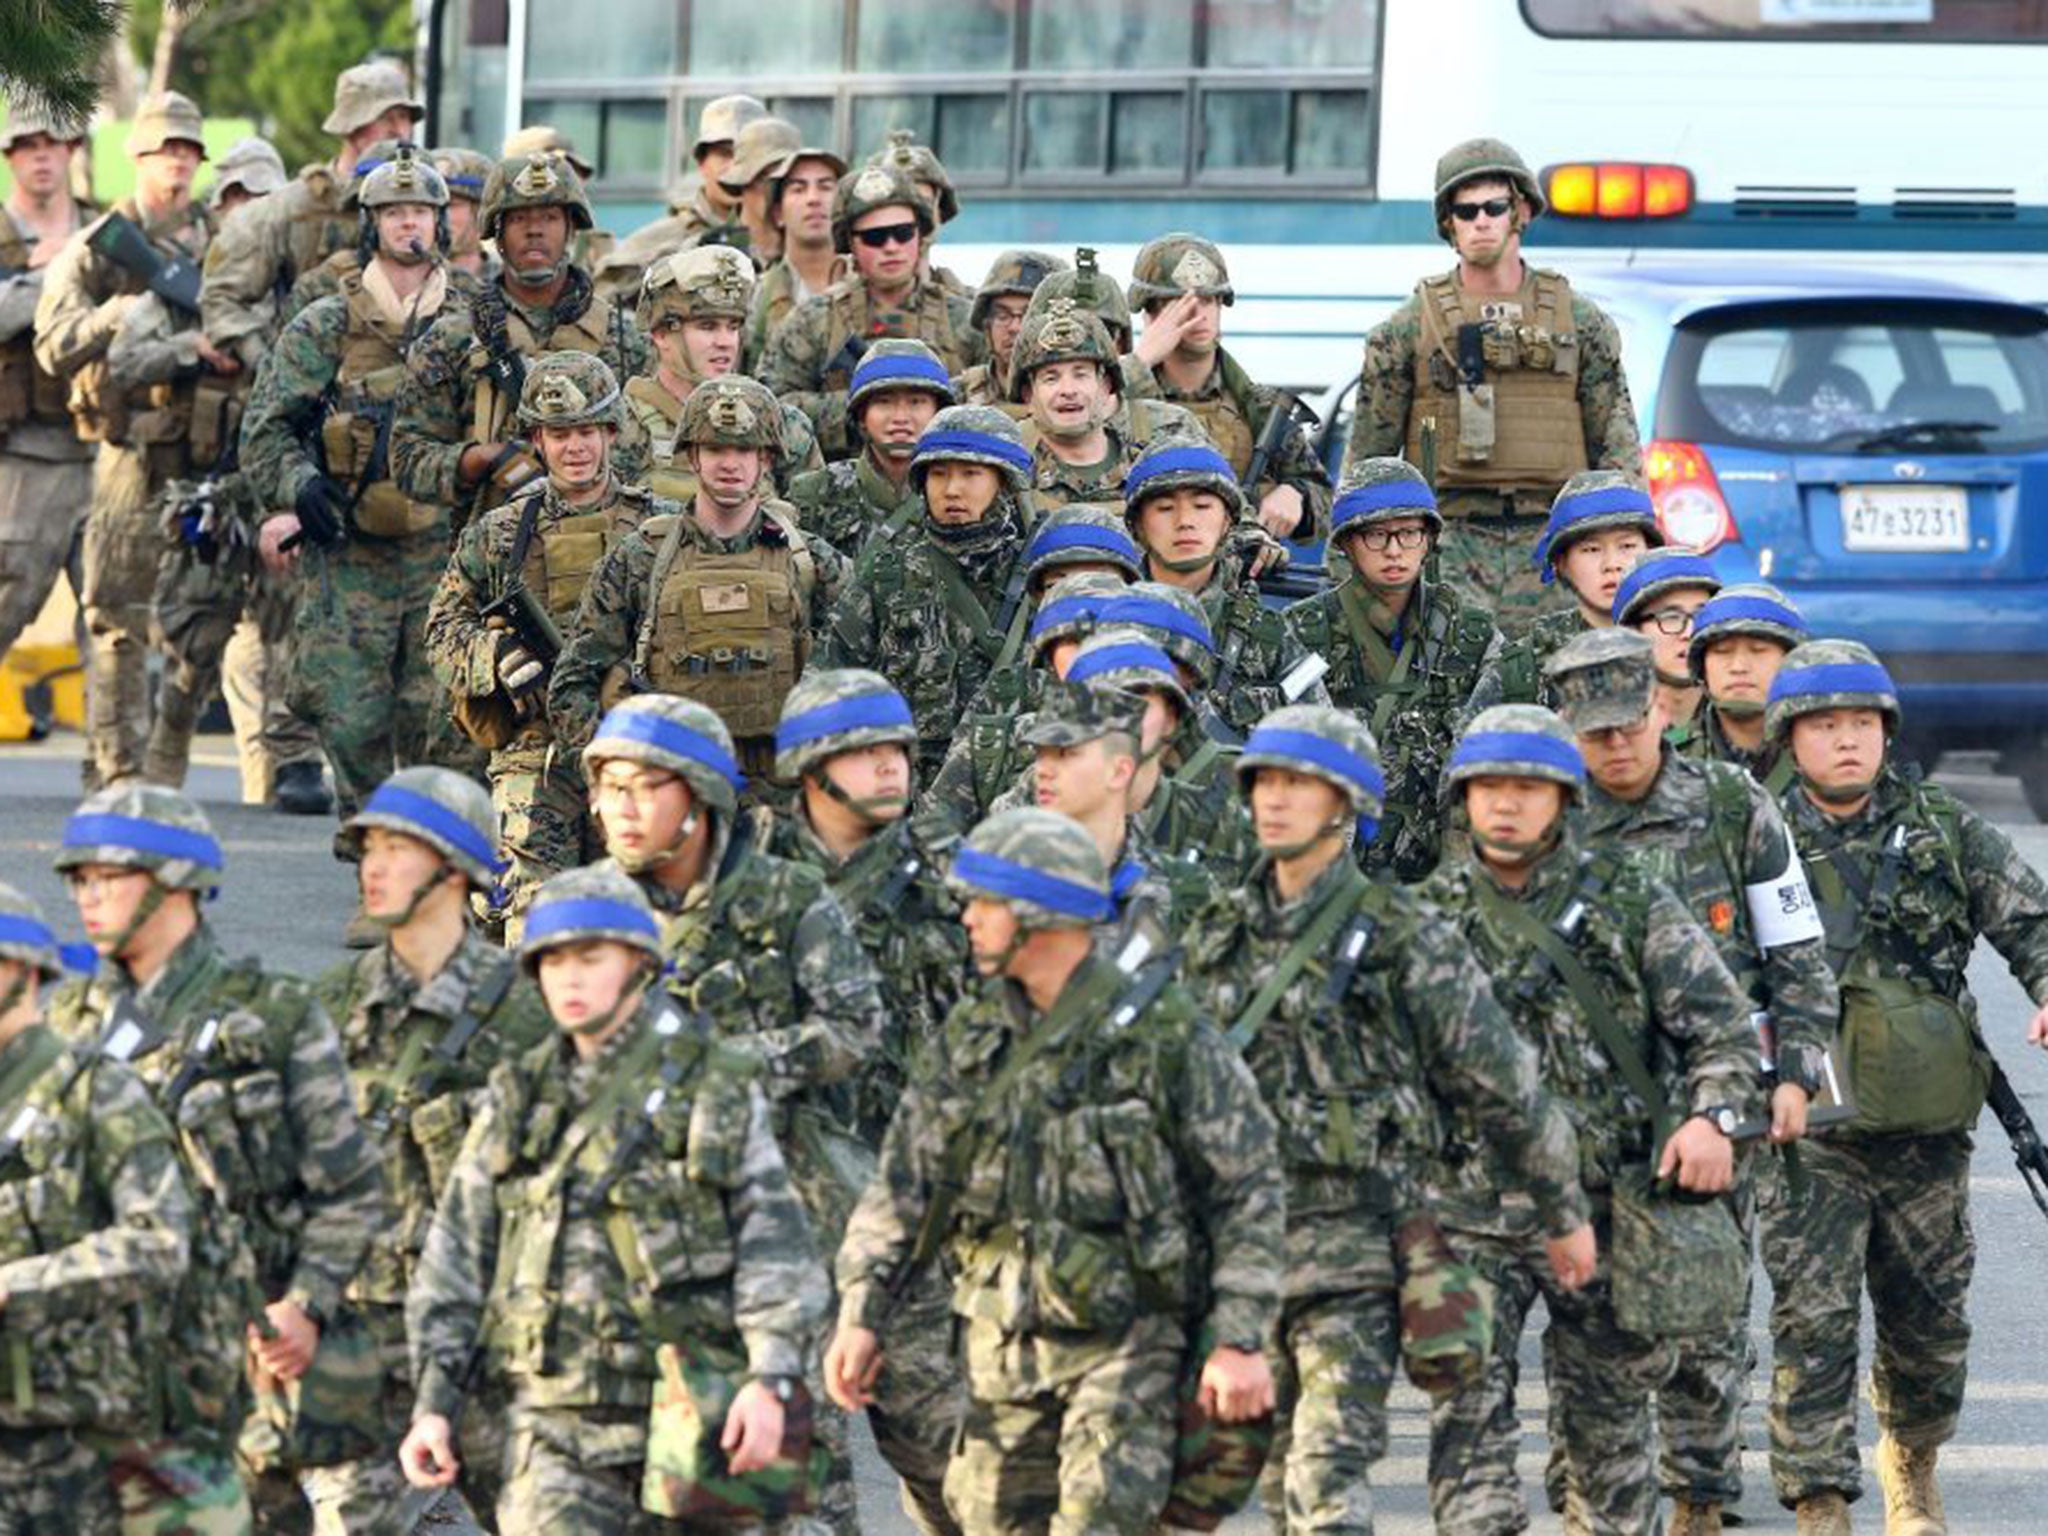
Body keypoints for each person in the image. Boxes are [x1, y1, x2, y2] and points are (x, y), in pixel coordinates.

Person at [1174, 703, 1590, 1532]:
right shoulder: (1216, 934)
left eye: (1301, 784)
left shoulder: (1403, 935)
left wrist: (1563, 1210)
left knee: (1330, 1474)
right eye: (1265, 782)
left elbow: (1502, 1084)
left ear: (1347, 806)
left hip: (1355, 1253)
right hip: (1237, 1260)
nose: (1275, 801)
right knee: (1274, 1473)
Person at [828, 805, 1286, 1533]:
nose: (968, 920)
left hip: (1127, 1356)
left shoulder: (1166, 1040)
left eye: (986, 903)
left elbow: (1247, 1191)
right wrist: (861, 1312)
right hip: (999, 1357)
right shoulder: (970, 1041)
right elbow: (901, 1188)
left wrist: (1237, 1335)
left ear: (1039, 914)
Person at [398, 864, 830, 1531]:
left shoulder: (710, 1086)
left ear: (638, 963)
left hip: (701, 1409)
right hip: (555, 1423)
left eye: (590, 957)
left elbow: (773, 1249)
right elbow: (456, 1260)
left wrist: (771, 1378)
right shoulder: (518, 1098)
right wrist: (433, 1401)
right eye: (553, 962)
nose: (569, 978)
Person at [1420, 704, 1759, 1536]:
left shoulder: (1632, 901)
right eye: (1489, 786)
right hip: (1463, 1218)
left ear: (1565, 799)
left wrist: (1713, 1118)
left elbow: (1724, 1028)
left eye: (1527, 787)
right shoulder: (1420, 923)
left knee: (1610, 1449)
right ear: (1463, 799)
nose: (1506, 804)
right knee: (1466, 1437)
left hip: (1607, 1209)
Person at [1546, 626, 1841, 1532]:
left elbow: (1796, 954)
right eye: (1595, 734)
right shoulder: (1539, 815)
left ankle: (1699, 1500)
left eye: (1630, 724)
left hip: (1713, 1100)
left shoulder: (1730, 804)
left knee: (1706, 1326)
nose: (1617, 747)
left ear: (1660, 709)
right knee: (1585, 1326)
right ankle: (1591, 1496)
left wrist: (1794, 1075)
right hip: (1583, 1112)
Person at [575, 693, 885, 1532]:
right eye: (610, 790)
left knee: (791, 1466)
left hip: (774, 1203)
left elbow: (858, 1029)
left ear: (703, 798)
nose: (622, 810)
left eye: (647, 788)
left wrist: (742, 1064)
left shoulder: (787, 901)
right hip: (630, 1225)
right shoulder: (582, 907)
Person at [1760, 640, 2048, 1536]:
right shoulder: (1754, 833)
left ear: (1887, 733)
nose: (1847, 742)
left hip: (1928, 1125)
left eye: (1862, 724)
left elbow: (2029, 918)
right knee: (1814, 1319)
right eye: (1824, 726)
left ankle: (1911, 1463)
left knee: (1929, 1324)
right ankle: (1819, 1498)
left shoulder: (1943, 830)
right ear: (1789, 737)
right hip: (1809, 1129)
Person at [43, 786, 386, 1530]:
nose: (88, 898)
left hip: (240, 1374)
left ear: (177, 885)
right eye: (80, 881)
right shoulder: (68, 1024)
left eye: (110, 878)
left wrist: (307, 1302)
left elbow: (352, 1188)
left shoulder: (273, 1017)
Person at [305, 767, 549, 1529]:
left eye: (396, 849)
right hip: (367, 1337)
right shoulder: (334, 1006)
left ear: (455, 868)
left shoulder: (527, 1016)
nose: (372, 868)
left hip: (501, 1341)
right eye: (367, 848)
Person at [765, 669, 969, 1534]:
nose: (892, 768)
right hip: (781, 1219)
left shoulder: (950, 889)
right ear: (812, 769)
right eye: (866, 752)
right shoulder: (748, 892)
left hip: (912, 1225)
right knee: (799, 1480)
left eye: (898, 751)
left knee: (953, 1466)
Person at [242, 145, 475, 823]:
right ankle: (375, 849)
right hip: (349, 552)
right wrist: (298, 485)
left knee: (438, 717)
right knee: (348, 715)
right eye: (395, 212)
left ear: (441, 223)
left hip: (443, 552)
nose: (410, 226)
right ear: (371, 223)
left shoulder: (473, 318)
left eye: (423, 213)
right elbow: (265, 429)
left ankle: (437, 871)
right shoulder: (327, 321)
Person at [1352, 137, 1641, 635]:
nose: (1480, 220)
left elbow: (1618, 452)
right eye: (1465, 211)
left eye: (1494, 206)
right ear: (1448, 224)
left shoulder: (1581, 323)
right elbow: (1365, 467)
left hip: (1558, 545)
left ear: (1521, 211)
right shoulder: (1406, 330)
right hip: (1448, 545)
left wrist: (1627, 553)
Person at [426, 351, 663, 927]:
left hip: (634, 746)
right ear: (537, 439)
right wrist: (495, 656)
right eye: (559, 434)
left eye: (586, 431)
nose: (575, 447)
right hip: (535, 751)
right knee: (534, 918)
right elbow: (441, 632)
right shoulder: (503, 533)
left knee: (642, 913)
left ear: (611, 432)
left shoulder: (659, 527)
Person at [34, 92, 226, 790]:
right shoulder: (105, 245)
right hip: (131, 453)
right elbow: (54, 345)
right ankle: (118, 774)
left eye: (187, 151)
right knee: (115, 620)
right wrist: (116, 316)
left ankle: (163, 772)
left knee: (201, 628)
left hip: (211, 457)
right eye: (164, 149)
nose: (177, 162)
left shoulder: (222, 238)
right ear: (137, 156)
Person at [0, 881, 195, 1536]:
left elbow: (160, 1240)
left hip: (63, 1431)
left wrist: (15, 1286)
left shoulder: (92, 1090)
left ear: (22, 973)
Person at [548, 375, 845, 781]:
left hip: (786, 791)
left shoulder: (807, 560)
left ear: (767, 459)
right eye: (715, 448)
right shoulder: (641, 558)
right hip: (674, 791)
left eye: (745, 449)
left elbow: (866, 672)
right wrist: (621, 773)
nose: (730, 464)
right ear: (692, 458)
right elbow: (573, 683)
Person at [392, 150, 651, 531]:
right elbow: (407, 459)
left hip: (604, 550)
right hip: (491, 553)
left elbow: (651, 453)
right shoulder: (455, 338)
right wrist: (480, 459)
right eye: (518, 219)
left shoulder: (623, 337)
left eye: (549, 218)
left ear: (570, 229)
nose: (534, 230)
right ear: (497, 235)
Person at [1282, 456, 1503, 880]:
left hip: (1445, 862)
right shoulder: (1303, 630)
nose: (1394, 550)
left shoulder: (1470, 632)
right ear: (1347, 543)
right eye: (1376, 535)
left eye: (1408, 533)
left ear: (1429, 538)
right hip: (1331, 860)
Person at [817, 404, 1036, 779]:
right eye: (938, 475)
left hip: (1019, 784)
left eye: (971, 474)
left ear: (1005, 482)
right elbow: (827, 680)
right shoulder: (888, 573)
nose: (952, 490)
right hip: (907, 789)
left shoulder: (1039, 575)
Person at [201, 61, 423, 369]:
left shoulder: (432, 200)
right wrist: (268, 365)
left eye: (405, 118)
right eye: (386, 118)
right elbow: (222, 296)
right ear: (353, 126)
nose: (400, 131)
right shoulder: (293, 208)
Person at [759, 162, 981, 459]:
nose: (891, 247)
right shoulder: (813, 320)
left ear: (919, 235)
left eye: (902, 233)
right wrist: (864, 406)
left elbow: (1001, 400)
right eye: (875, 237)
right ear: (850, 241)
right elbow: (771, 409)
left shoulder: (965, 318)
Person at [1127, 232, 1331, 540]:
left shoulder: (1261, 409)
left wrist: (1295, 495)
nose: (1199, 314)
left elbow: (1326, 499)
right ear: (1150, 313)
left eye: (1209, 300)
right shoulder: (1120, 399)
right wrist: (1139, 362)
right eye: (1180, 303)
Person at [1121, 435, 1329, 735]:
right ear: (1137, 526)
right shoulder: (1105, 624)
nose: (1185, 521)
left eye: (1202, 506)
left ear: (1228, 522)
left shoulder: (1270, 637)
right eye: (1165, 508)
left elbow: (1328, 744)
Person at [0, 103, 96, 667]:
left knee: (118, 631)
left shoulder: (106, 229)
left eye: (52, 142)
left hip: (104, 449)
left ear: (72, 150)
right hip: (21, 457)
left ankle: (114, 759)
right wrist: (54, 277)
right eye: (27, 144)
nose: (41, 154)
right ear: (11, 156)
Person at [624, 243, 820, 503]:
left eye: (733, 326)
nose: (725, 341)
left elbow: (813, 527)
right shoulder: (622, 426)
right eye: (708, 326)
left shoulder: (784, 424)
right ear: (661, 334)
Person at [1011, 298, 1198, 514]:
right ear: (1028, 395)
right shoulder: (1008, 464)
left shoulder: (1158, 453)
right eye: (1051, 378)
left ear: (1106, 387)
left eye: (1081, 375)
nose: (1068, 390)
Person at [1496, 468, 1664, 705]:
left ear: (1651, 552)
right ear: (1561, 563)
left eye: (1626, 546)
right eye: (1591, 550)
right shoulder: (1526, 666)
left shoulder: (1681, 644)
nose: (1612, 565)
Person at [787, 337, 954, 552]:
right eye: (885, 402)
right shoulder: (814, 495)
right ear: (861, 416)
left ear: (938, 413)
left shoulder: (961, 495)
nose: (901, 417)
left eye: (916, 402)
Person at [594, 94, 768, 299]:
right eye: (724, 153)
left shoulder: (789, 238)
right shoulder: (664, 238)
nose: (734, 167)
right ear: (702, 163)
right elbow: (603, 300)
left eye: (744, 155)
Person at [1673, 582, 1810, 792]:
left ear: (1790, 662)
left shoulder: (1827, 754)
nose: (1738, 667)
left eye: (1758, 651)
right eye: (1722, 651)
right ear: (1702, 667)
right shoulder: (1665, 759)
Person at [1613, 547, 1723, 733]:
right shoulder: (1605, 726)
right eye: (1670, 617)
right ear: (1632, 632)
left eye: (1701, 615)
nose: (1689, 632)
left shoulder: (1740, 723)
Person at [953, 248, 1068, 406]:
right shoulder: (957, 397)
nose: (1014, 327)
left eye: (1028, 316)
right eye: (1002, 316)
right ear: (988, 326)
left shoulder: (1080, 400)